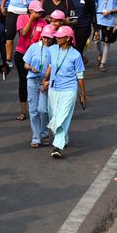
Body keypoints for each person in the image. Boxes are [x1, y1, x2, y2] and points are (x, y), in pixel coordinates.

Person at [42, 26, 88, 159]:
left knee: (62, 118)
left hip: (69, 90)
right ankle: (64, 138)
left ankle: (57, 147)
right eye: (56, 36)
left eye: (59, 37)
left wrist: (83, 94)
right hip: (53, 89)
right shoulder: (52, 50)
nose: (56, 38)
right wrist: (45, 80)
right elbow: (50, 66)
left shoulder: (76, 55)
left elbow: (80, 76)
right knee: (53, 117)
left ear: (68, 38)